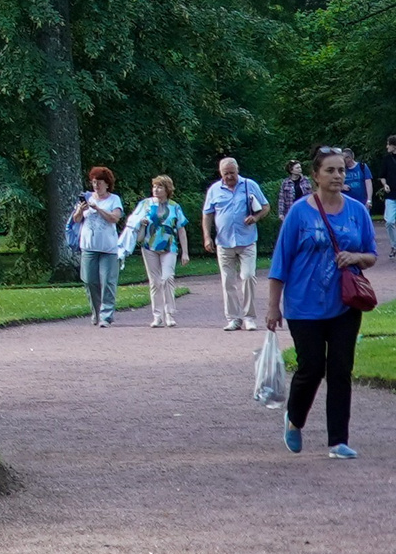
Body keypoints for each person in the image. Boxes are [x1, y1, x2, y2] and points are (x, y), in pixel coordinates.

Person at [266, 147, 379, 459]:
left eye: (341, 170)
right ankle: (294, 419)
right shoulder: (299, 213)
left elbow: (371, 255)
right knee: (312, 367)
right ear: (315, 175)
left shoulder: (357, 211)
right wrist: (273, 306)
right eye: (330, 170)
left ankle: (338, 441)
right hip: (304, 305)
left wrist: (355, 257)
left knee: (341, 370)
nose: (337, 176)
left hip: (345, 303)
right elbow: (280, 262)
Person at [202, 157, 269, 331]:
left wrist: (256, 217)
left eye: (232, 172)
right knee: (227, 281)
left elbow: (265, 206)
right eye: (226, 174)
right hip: (224, 242)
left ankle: (249, 317)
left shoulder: (249, 185)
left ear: (237, 170)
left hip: (247, 240)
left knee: (248, 276)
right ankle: (233, 318)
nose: (229, 176)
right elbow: (207, 214)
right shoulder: (214, 190)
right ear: (220, 173)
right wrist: (207, 237)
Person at [131, 176, 190, 327]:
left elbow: (181, 230)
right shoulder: (145, 204)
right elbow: (132, 221)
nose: (156, 190)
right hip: (149, 246)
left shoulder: (174, 207)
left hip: (169, 247)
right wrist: (141, 222)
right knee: (155, 282)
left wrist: (185, 252)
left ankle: (169, 314)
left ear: (167, 189)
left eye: (160, 187)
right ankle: (157, 316)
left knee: (167, 278)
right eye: (154, 186)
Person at [71, 167, 126, 327]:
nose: (96, 186)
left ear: (107, 184)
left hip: (108, 249)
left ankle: (106, 316)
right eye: (94, 182)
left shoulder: (114, 199)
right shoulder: (87, 198)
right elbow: (76, 219)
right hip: (89, 247)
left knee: (108, 282)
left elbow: (115, 218)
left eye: (99, 183)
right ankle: (96, 312)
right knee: (89, 281)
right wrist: (80, 210)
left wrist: (98, 209)